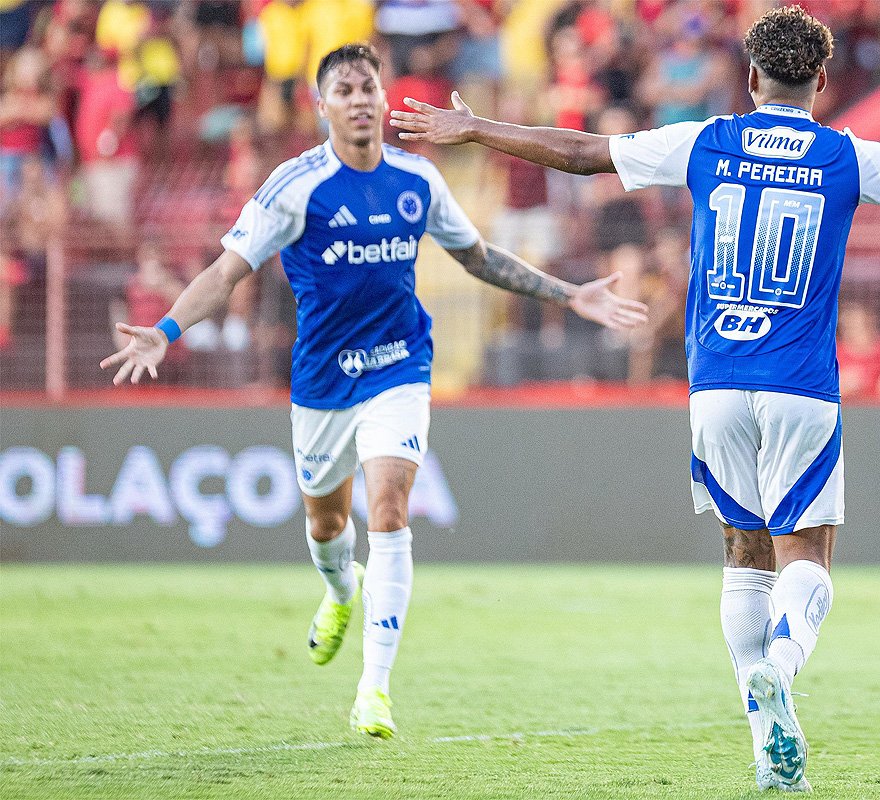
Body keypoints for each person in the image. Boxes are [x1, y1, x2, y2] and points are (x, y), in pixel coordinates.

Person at [390, 6, 880, 791]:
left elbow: (580, 151)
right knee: (807, 556)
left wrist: (478, 129)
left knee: (744, 554)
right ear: (822, 81)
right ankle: (782, 662)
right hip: (799, 385)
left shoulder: (706, 141)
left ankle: (768, 743)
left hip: (715, 383)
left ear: (750, 77)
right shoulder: (849, 157)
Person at [102, 43, 648, 740]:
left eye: (368, 88)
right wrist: (166, 330)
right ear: (322, 106)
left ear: (384, 100)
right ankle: (341, 589)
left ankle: (374, 690)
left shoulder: (417, 180)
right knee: (327, 527)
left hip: (399, 367)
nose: (360, 100)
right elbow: (226, 273)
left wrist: (570, 294)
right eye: (345, 90)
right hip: (323, 383)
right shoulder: (295, 187)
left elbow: (477, 257)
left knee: (389, 507)